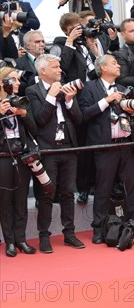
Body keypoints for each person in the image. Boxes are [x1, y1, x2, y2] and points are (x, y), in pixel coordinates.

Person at [26, 54, 85, 252]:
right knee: (46, 194)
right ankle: (44, 236)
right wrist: (51, 95)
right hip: (47, 150)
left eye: (59, 67)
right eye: (55, 67)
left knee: (68, 193)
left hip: (69, 147)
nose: (60, 70)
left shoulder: (66, 86)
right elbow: (40, 120)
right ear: (43, 71)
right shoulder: (32, 91)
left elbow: (79, 119)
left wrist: (69, 100)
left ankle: (69, 233)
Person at [79, 54, 134, 244]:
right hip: (105, 146)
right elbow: (84, 114)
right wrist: (107, 100)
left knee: (132, 186)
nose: (119, 65)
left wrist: (131, 110)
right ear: (102, 68)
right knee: (103, 188)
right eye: (114, 62)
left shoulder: (123, 88)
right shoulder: (90, 88)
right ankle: (98, 228)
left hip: (126, 144)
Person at [0, 67, 37, 257]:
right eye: (12, 80)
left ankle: (21, 239)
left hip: (21, 156)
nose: (17, 83)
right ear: (2, 83)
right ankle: (10, 242)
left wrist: (24, 114)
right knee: (6, 201)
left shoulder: (21, 101)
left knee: (21, 199)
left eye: (17, 80)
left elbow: (34, 129)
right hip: (3, 158)